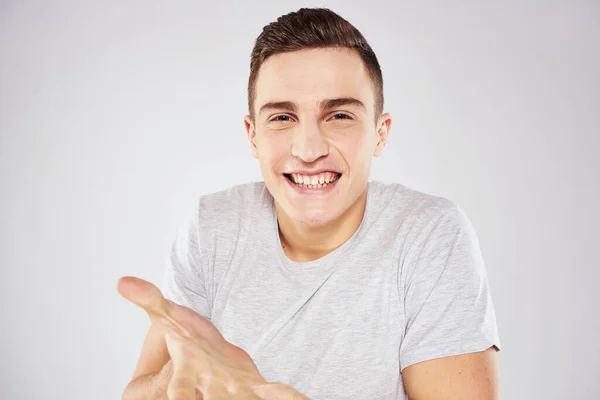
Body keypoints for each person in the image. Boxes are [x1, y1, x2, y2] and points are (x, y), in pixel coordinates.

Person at [119, 7, 501, 400]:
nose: (308, 150)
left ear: (380, 133)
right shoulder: (212, 226)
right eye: (283, 117)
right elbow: (140, 393)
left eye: (338, 115)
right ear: (253, 136)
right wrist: (174, 379)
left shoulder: (428, 234)